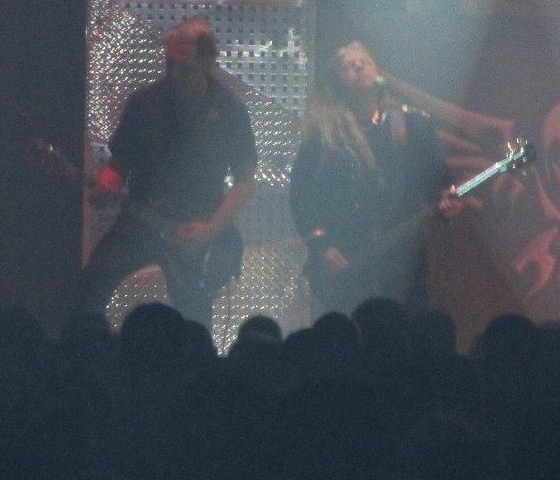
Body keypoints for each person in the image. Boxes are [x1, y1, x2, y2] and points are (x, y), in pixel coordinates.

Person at [78, 17, 258, 329]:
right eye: (169, 64)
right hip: (140, 219)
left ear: (208, 62)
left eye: (184, 68)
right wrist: (105, 185)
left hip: (194, 227)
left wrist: (212, 228)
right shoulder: (144, 103)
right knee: (89, 289)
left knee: (195, 317)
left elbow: (245, 179)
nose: (174, 74)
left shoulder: (230, 110)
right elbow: (120, 162)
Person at [289, 41, 462, 316]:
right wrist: (322, 246)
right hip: (349, 262)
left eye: (364, 61)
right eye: (348, 66)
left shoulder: (411, 125)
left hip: (402, 263)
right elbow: (302, 197)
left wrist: (447, 200)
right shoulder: (324, 139)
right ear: (337, 82)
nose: (358, 66)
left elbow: (438, 179)